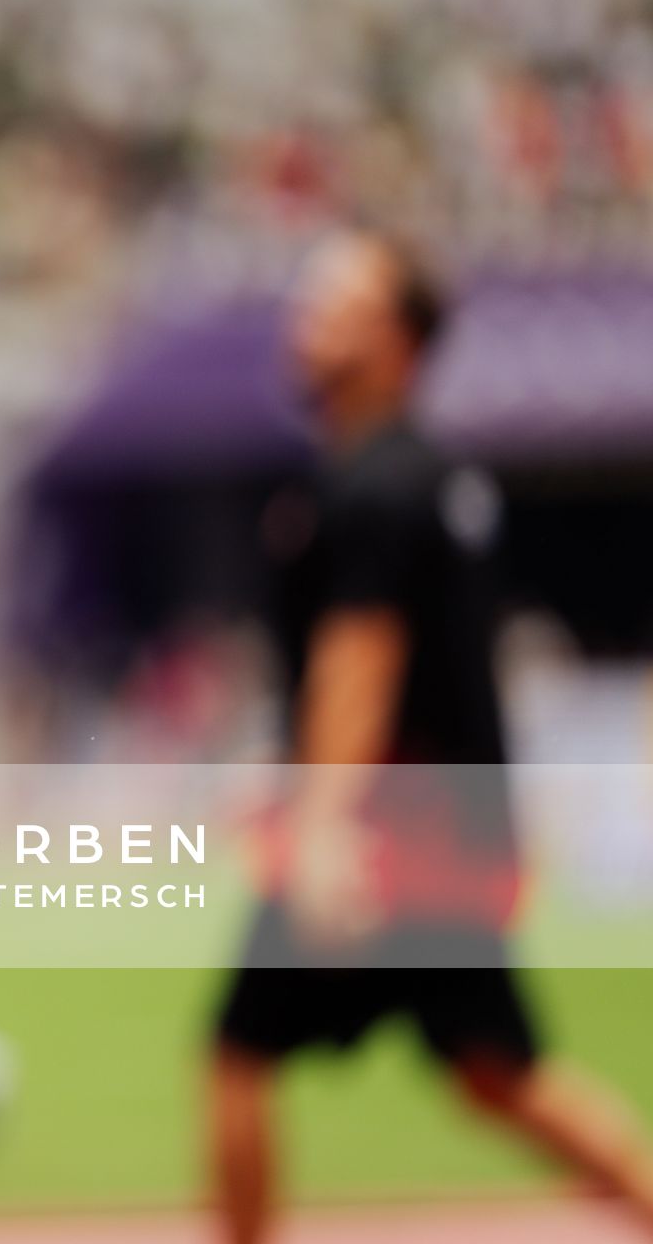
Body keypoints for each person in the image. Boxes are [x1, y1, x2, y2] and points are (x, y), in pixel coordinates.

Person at [209, 230, 653, 1243]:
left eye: (337, 307)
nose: (305, 320)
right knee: (500, 1073)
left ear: (399, 342)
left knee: (236, 1057)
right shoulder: (435, 481)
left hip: (385, 835)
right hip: (445, 832)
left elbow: (359, 666)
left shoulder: (372, 488)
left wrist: (317, 829)